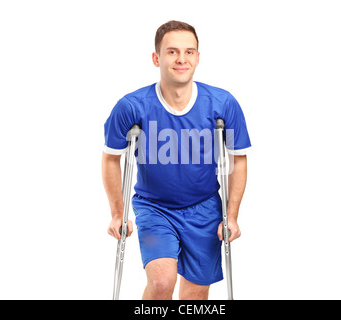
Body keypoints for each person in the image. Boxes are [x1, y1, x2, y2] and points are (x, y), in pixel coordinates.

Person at [102, 20, 251, 300]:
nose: (182, 59)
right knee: (161, 283)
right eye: (172, 52)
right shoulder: (132, 106)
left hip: (205, 208)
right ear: (156, 58)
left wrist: (231, 216)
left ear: (198, 57)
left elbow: (238, 160)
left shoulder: (222, 103)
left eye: (189, 52)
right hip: (154, 208)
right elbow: (111, 158)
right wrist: (118, 213)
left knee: (194, 294)